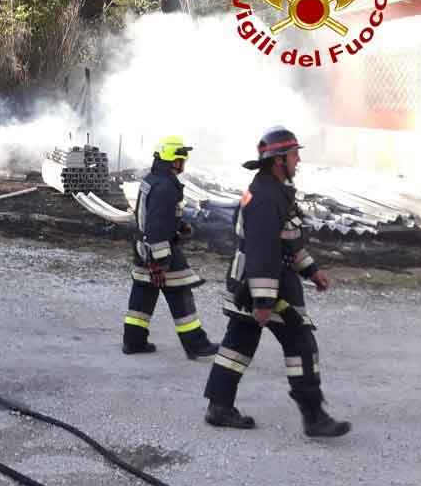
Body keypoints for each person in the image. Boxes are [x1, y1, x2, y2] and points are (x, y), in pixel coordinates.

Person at [203, 127, 351, 437]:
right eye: (295, 155)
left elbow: (288, 240)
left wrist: (312, 270)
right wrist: (264, 301)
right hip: (266, 284)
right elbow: (263, 250)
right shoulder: (267, 197)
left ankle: (219, 407)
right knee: (301, 343)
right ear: (279, 160)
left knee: (238, 344)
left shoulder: (273, 190)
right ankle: (314, 418)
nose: (299, 160)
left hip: (252, 282)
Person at [123, 136, 219, 359]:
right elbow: (156, 225)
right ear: (174, 160)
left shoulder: (153, 179)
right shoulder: (165, 186)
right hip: (160, 250)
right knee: (180, 292)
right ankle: (197, 345)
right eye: (182, 157)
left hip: (143, 247)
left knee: (143, 292)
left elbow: (155, 218)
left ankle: (134, 341)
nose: (184, 161)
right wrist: (159, 262)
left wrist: (179, 225)